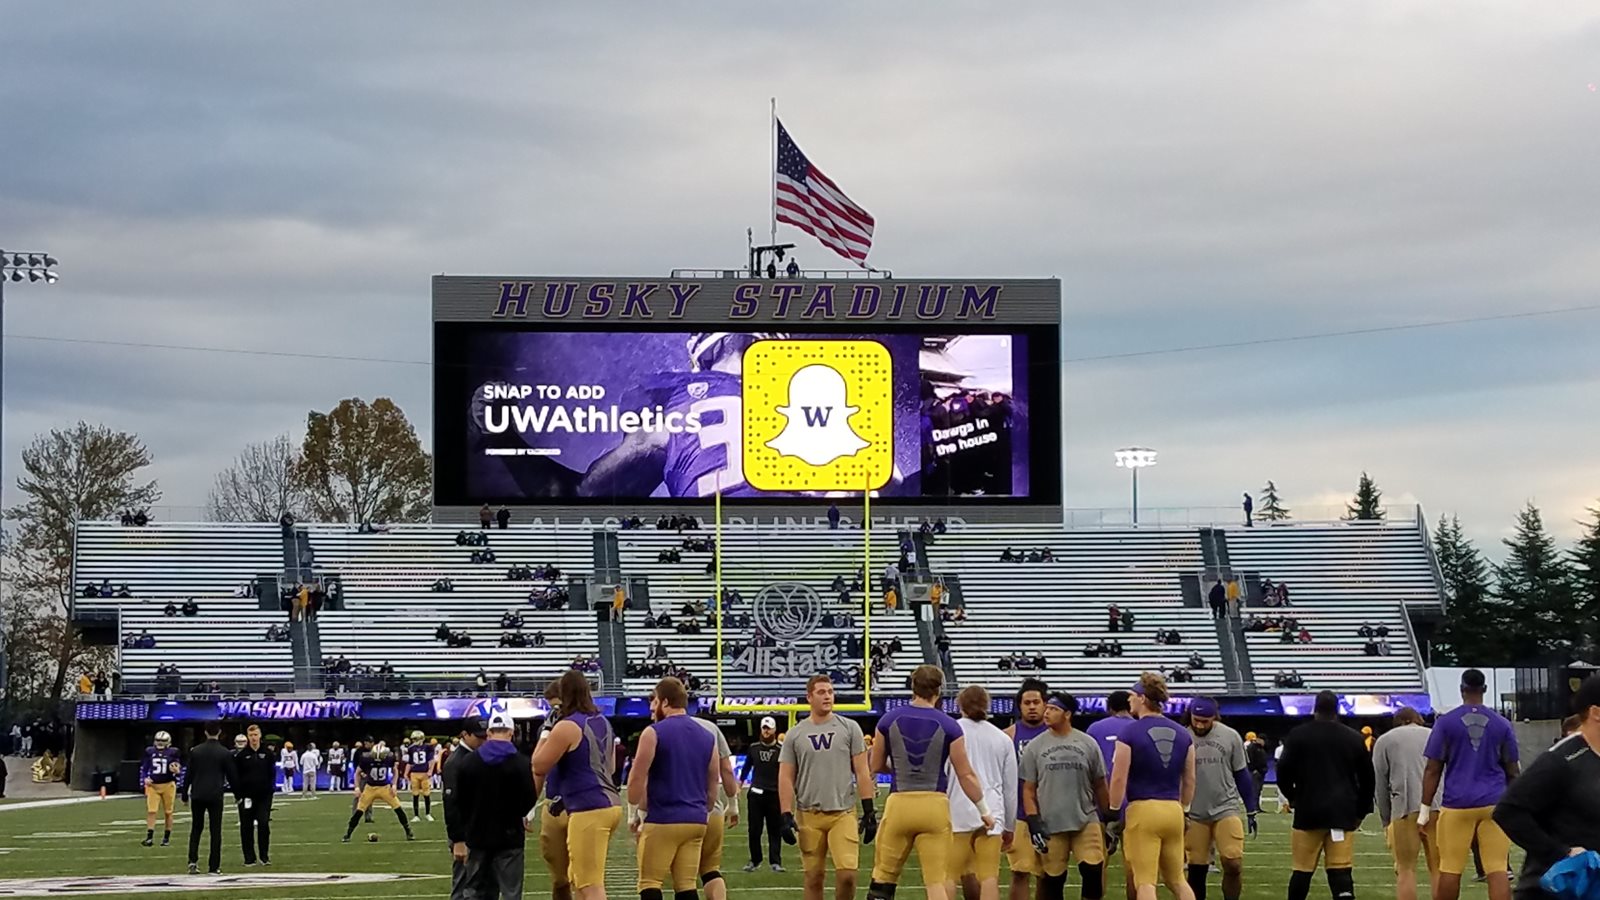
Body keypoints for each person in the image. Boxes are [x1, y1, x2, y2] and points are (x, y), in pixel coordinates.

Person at [867, 664, 992, 900]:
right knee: (936, 883)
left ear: (912, 686)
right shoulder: (949, 725)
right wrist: (984, 810)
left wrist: (900, 768)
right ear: (939, 690)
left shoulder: (888, 719)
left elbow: (875, 765)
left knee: (883, 876)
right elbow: (965, 774)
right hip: (935, 805)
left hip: (900, 803)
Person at [1492, 674, 1600, 900]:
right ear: (1596, 713)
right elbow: (1508, 811)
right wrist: (1562, 852)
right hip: (1557, 890)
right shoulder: (1562, 759)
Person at [1422, 669, 1520, 900]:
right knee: (1497, 868)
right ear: (1484, 689)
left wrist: (1424, 810)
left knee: (1450, 867)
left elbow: (1433, 768)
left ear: (1461, 689)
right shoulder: (1502, 724)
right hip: (1494, 802)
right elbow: (1513, 770)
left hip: (1457, 803)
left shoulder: (1445, 723)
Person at [780, 674, 875, 900]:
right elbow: (785, 776)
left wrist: (869, 809)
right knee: (813, 878)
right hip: (809, 813)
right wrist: (785, 813)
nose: (827, 696)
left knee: (848, 874)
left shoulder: (849, 728)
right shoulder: (795, 733)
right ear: (809, 697)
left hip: (842, 812)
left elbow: (862, 771)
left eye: (830, 692)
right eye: (821, 692)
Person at [1276, 690, 1375, 900]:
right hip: (1342, 811)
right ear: (1337, 710)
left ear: (1315, 708)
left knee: (1302, 870)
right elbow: (1368, 779)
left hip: (1308, 811)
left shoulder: (1298, 735)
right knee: (1341, 870)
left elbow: (1283, 771)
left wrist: (1293, 797)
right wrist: (1361, 811)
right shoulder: (1353, 738)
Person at [533, 669, 621, 900]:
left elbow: (538, 765)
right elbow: (610, 767)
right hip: (609, 803)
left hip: (587, 806)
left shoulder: (567, 726)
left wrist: (546, 732)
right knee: (580, 879)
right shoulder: (602, 720)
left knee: (589, 884)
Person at [1107, 673, 1196, 900]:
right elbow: (1190, 779)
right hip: (1173, 810)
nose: (1129, 701)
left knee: (1145, 882)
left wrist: (1113, 811)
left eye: (1133, 696)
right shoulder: (1183, 733)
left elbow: (1118, 778)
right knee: (1177, 879)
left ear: (1143, 698)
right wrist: (1185, 808)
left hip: (1143, 810)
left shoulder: (1129, 732)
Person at [629, 676, 719, 900]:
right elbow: (712, 787)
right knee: (686, 885)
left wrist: (636, 810)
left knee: (650, 883)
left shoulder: (654, 732)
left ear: (665, 702)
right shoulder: (708, 736)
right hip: (696, 820)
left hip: (664, 819)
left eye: (655, 701)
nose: (651, 706)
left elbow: (636, 779)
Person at [1021, 690, 1109, 900]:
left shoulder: (1087, 743)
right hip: (1051, 821)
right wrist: (1033, 820)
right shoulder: (1035, 747)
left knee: (1093, 871)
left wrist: (1109, 815)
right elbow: (1028, 789)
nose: (1047, 712)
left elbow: (1099, 783)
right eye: (1047, 708)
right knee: (1053, 879)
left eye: (1053, 709)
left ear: (1067, 714)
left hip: (1085, 817)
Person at [455, 711, 537, 900]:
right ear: (511, 733)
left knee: (475, 891)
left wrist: (467, 826)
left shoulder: (469, 762)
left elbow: (460, 800)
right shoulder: (521, 763)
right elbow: (529, 798)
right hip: (510, 836)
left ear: (490, 733)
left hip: (477, 835)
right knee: (510, 892)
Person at [948, 685, 1018, 900]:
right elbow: (1010, 787)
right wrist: (1009, 825)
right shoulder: (1002, 738)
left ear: (960, 704)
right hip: (993, 809)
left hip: (957, 809)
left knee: (948, 876)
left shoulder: (951, 731)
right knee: (989, 877)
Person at [1184, 698, 1257, 900]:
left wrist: (1251, 808)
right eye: (1196, 720)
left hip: (1226, 806)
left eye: (1204, 721)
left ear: (1214, 718)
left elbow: (1241, 773)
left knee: (1233, 861)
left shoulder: (1230, 735)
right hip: (1195, 811)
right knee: (1196, 868)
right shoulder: (1182, 736)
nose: (1199, 725)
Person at [1371, 707, 1440, 900]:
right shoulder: (1436, 735)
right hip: (1438, 805)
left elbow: (1380, 785)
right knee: (1439, 869)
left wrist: (1386, 820)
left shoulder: (1385, 740)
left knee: (1406, 869)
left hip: (1405, 806)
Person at [1006, 678, 1051, 900]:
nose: (1032, 707)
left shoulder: (1056, 735)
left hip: (1051, 814)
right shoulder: (1008, 736)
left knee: (1048, 875)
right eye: (1027, 703)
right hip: (1020, 815)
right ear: (1020, 706)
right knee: (1020, 872)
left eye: (1036, 702)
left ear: (1045, 705)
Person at [692, 713, 741, 900]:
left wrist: (639, 813)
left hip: (680, 812)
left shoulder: (661, 730)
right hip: (713, 810)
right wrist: (733, 804)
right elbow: (727, 769)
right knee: (711, 870)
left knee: (683, 878)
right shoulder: (710, 728)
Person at [180, 723, 238, 876]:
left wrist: (184, 793)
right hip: (215, 795)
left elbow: (188, 774)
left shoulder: (196, 751)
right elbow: (232, 776)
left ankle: (192, 861)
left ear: (205, 732)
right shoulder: (224, 753)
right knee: (215, 831)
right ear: (219, 732)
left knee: (196, 829)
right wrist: (238, 795)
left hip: (198, 794)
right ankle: (214, 866)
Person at [444, 719, 488, 900]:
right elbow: (451, 802)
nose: (483, 741)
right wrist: (458, 839)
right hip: (465, 832)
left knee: (479, 884)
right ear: (465, 735)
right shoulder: (457, 762)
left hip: (477, 829)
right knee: (463, 885)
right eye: (479, 737)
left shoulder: (474, 757)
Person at [343, 740, 415, 842]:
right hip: (370, 788)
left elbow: (395, 770)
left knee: (398, 809)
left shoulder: (389, 757)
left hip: (385, 788)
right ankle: (348, 834)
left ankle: (408, 831)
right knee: (359, 812)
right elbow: (357, 773)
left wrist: (394, 785)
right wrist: (357, 787)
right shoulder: (366, 758)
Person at [741, 715, 785, 873]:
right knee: (754, 829)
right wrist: (740, 784)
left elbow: (785, 773)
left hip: (774, 794)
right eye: (764, 728)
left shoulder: (781, 750)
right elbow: (746, 767)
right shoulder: (753, 748)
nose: (766, 731)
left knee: (775, 830)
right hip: (756, 794)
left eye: (769, 728)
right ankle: (755, 860)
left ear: (774, 730)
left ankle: (775, 861)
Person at [233, 725, 278, 866]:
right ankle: (249, 858)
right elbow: (236, 776)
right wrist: (238, 794)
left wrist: (271, 789)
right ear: (247, 737)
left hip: (264, 796)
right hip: (247, 797)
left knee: (264, 824)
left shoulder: (268, 754)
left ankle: (264, 856)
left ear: (259, 735)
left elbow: (272, 773)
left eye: (255, 735)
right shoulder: (241, 756)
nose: (253, 738)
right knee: (246, 826)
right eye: (250, 735)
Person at [140, 730, 183, 847]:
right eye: (158, 740)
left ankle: (166, 838)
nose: (160, 743)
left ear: (168, 742)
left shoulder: (173, 752)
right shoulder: (149, 751)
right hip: (153, 785)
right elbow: (144, 768)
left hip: (168, 784)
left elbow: (178, 769)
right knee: (151, 811)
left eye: (163, 741)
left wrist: (177, 771)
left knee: (168, 812)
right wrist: (145, 778)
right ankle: (149, 837)